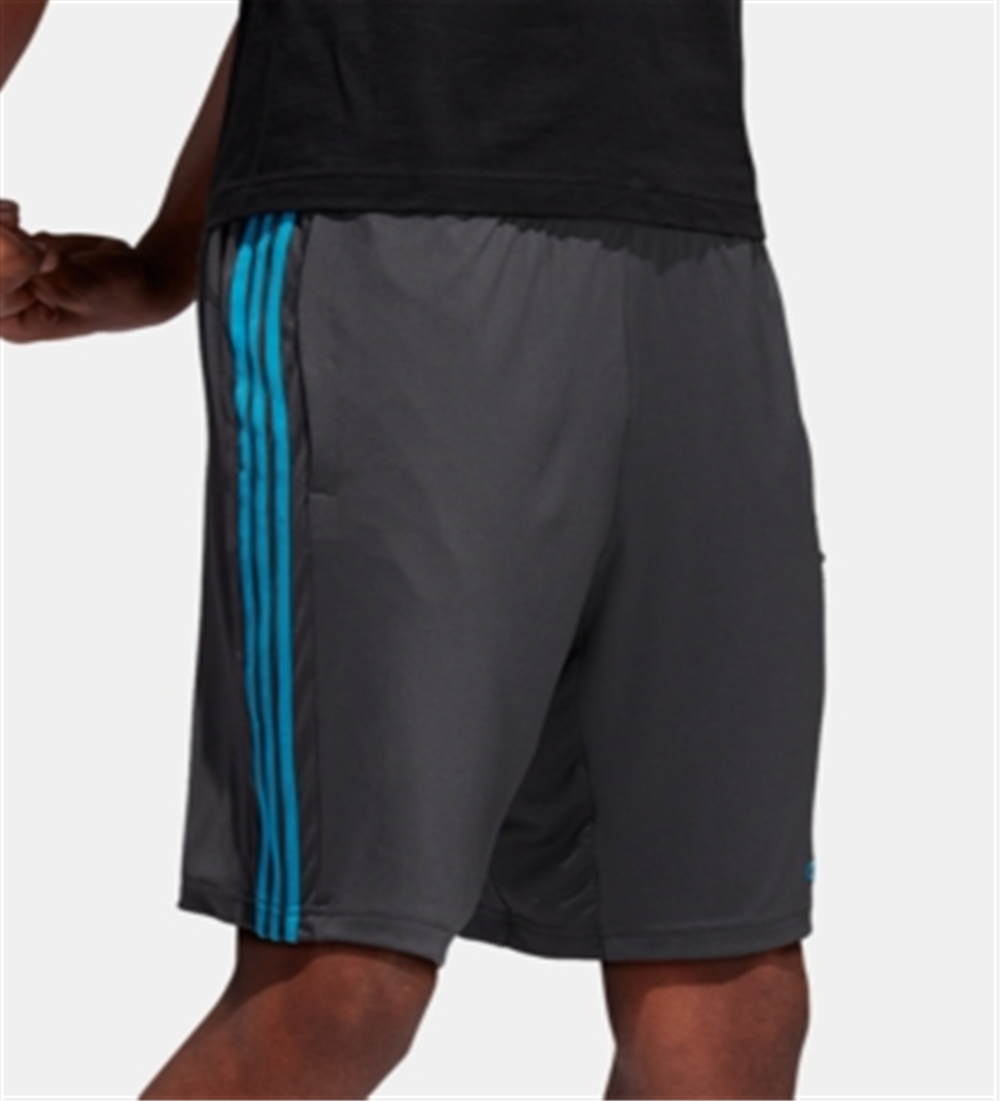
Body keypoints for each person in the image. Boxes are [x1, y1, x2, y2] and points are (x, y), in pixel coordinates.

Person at [0, 2, 827, 1096]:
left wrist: (166, 255)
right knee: (341, 981)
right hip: (388, 230)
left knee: (726, 992)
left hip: (695, 236)